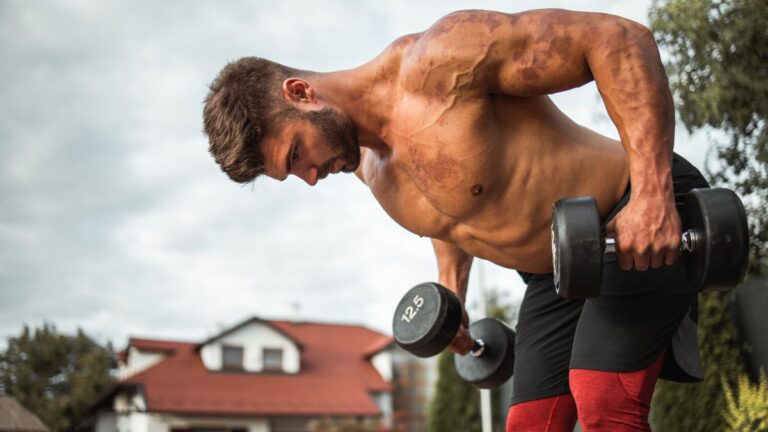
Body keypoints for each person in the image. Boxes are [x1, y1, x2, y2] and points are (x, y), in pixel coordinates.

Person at [202, 9, 708, 431]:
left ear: (300, 92)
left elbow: (618, 40)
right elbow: (449, 212)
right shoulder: (365, 165)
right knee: (531, 422)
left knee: (603, 401)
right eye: (291, 175)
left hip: (631, 211)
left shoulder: (441, 62)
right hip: (557, 272)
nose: (309, 177)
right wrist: (453, 294)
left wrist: (652, 194)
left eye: (295, 155)